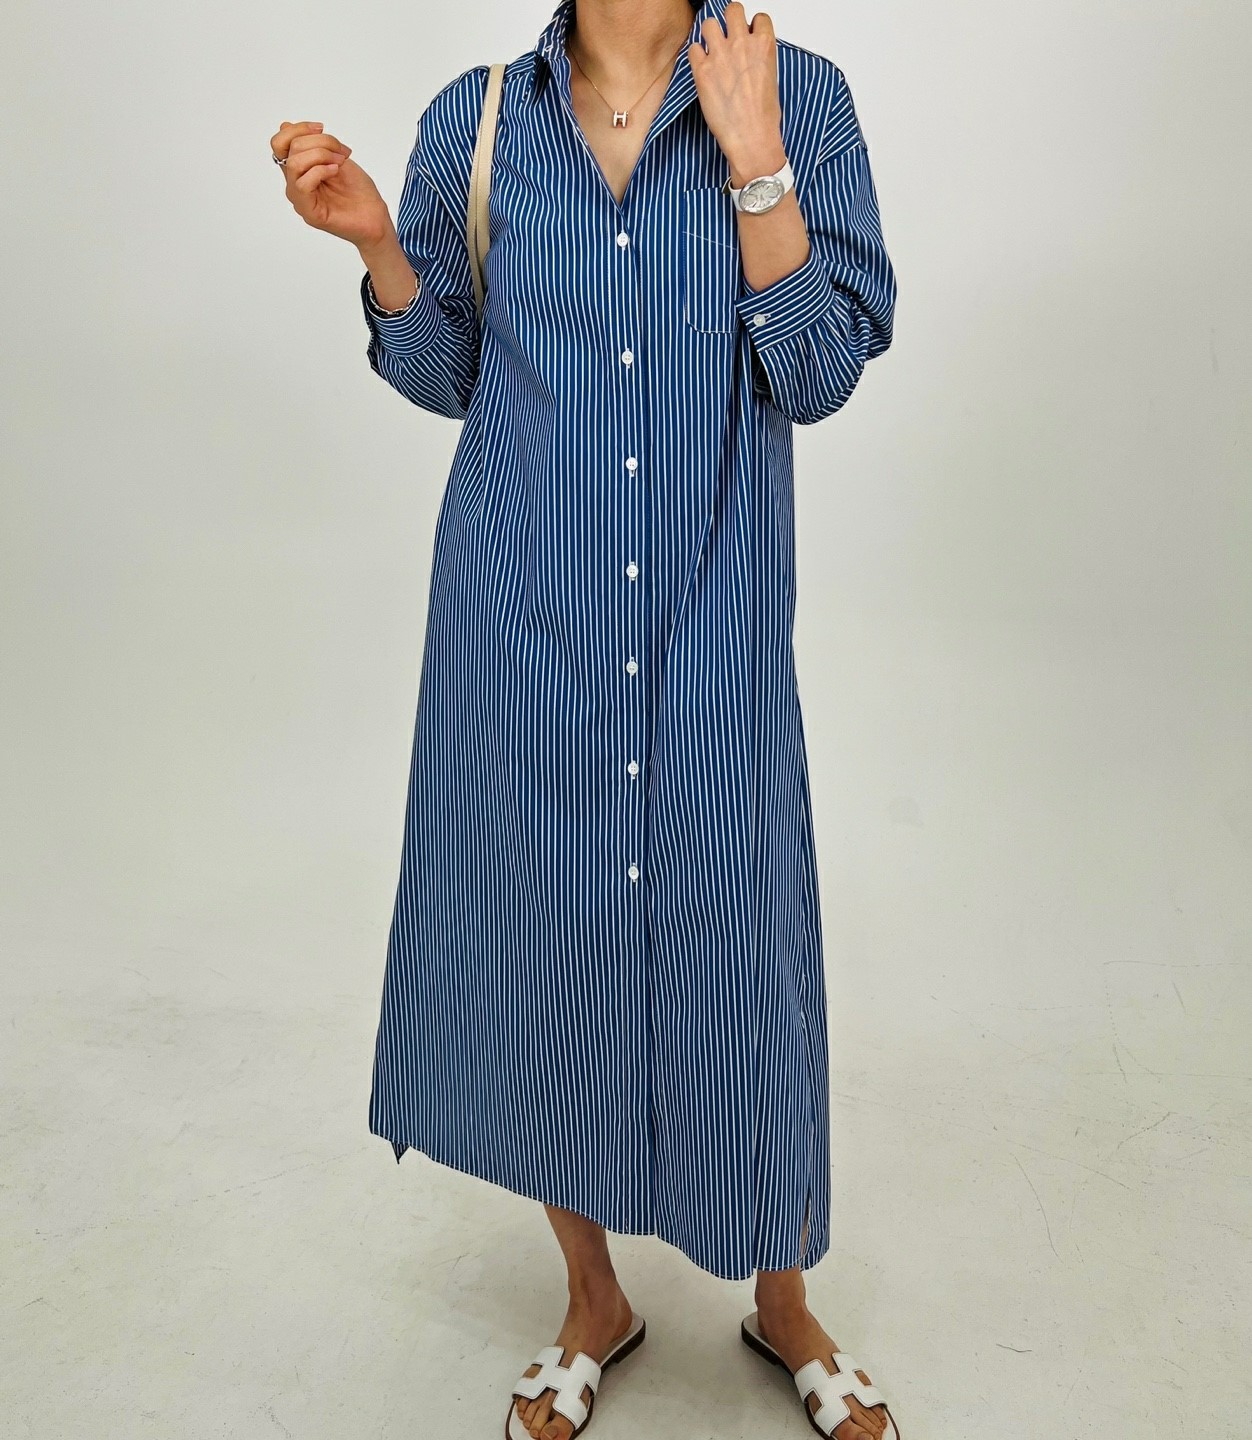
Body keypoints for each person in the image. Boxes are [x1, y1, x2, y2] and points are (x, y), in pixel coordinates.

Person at [271, 0, 898, 1435]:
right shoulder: (480, 116)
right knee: (547, 952)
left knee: (744, 962)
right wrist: (378, 245)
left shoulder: (796, 94)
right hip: (522, 627)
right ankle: (592, 1297)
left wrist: (756, 164)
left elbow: (819, 373)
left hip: (709, 628)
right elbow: (447, 373)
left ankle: (786, 1302)